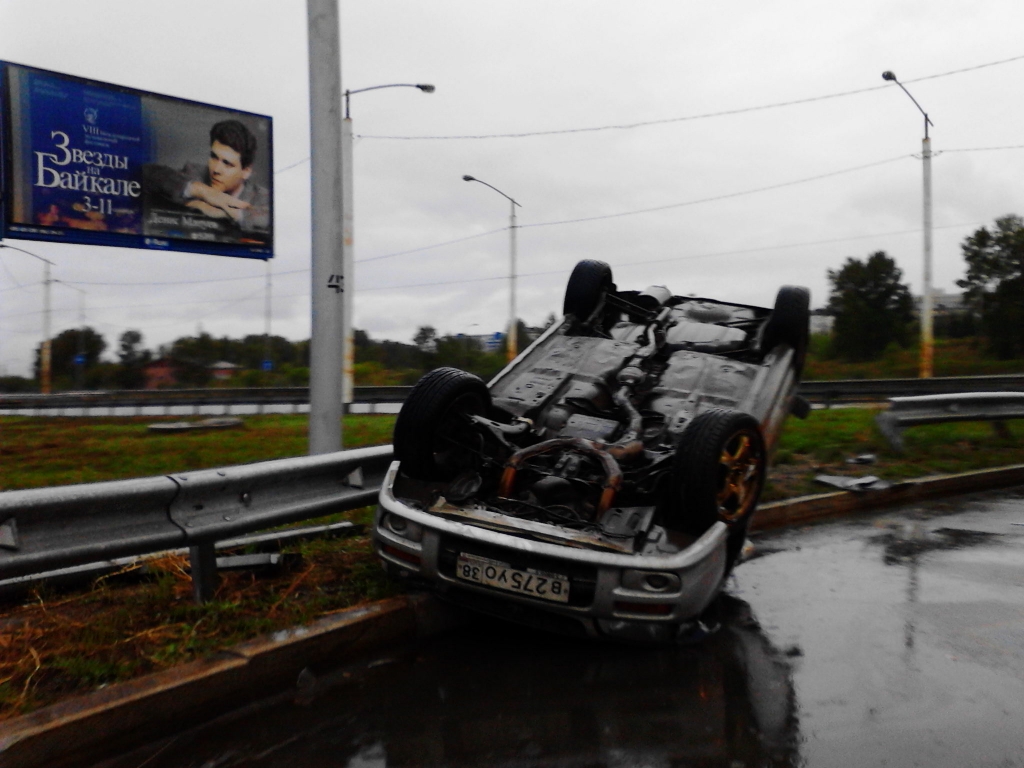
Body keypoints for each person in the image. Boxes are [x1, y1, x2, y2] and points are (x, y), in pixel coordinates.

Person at [143, 119, 270, 234]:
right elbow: (148, 172)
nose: (216, 170)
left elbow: (271, 217)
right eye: (214, 157)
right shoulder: (193, 172)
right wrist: (202, 191)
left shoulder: (262, 197)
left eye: (227, 163)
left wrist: (230, 213)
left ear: (246, 171)